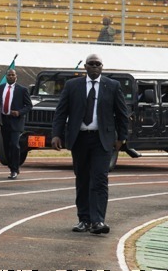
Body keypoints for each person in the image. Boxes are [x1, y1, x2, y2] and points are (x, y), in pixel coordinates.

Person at [51, 54, 128, 235]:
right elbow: (61, 112)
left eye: (97, 64)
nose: (94, 67)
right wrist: (56, 134)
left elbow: (122, 114)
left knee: (100, 179)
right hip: (80, 139)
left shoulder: (113, 86)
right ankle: (84, 220)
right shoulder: (72, 86)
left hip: (102, 140)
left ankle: (98, 221)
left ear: (102, 67)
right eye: (91, 64)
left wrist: (121, 138)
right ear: (85, 67)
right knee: (83, 179)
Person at [0, 69, 32, 179]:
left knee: (15, 145)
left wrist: (19, 112)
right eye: (9, 75)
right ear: (6, 76)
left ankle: (15, 169)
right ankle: (11, 166)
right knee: (6, 146)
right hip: (4, 120)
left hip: (16, 121)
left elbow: (29, 106)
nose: (11, 77)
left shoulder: (22, 90)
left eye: (13, 75)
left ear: (16, 77)